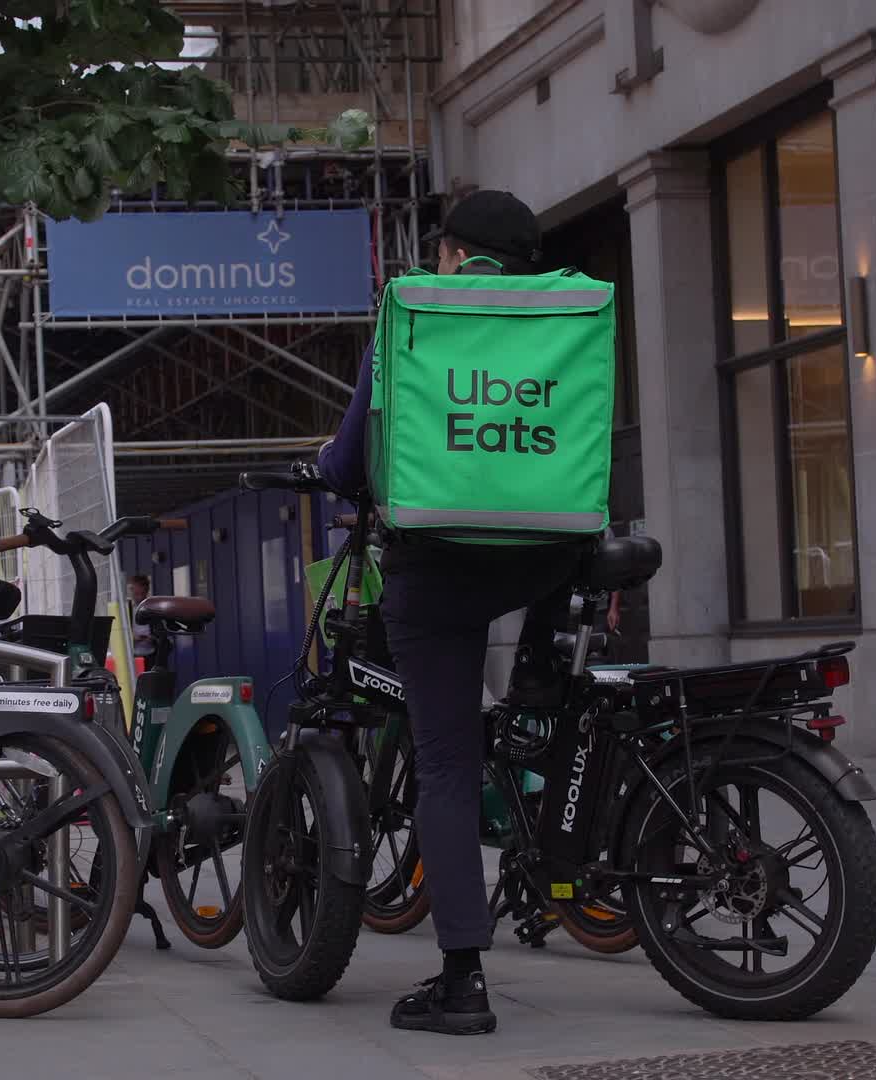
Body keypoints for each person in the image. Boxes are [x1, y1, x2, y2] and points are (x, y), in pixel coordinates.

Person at [318, 189, 581, 1037]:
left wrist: (328, 466)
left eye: (440, 249)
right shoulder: (568, 312)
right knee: (551, 695)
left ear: (459, 255)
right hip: (554, 549)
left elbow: (353, 457)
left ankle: (462, 977)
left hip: (441, 566)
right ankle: (566, 801)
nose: (435, 264)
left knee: (444, 763)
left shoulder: (414, 314)